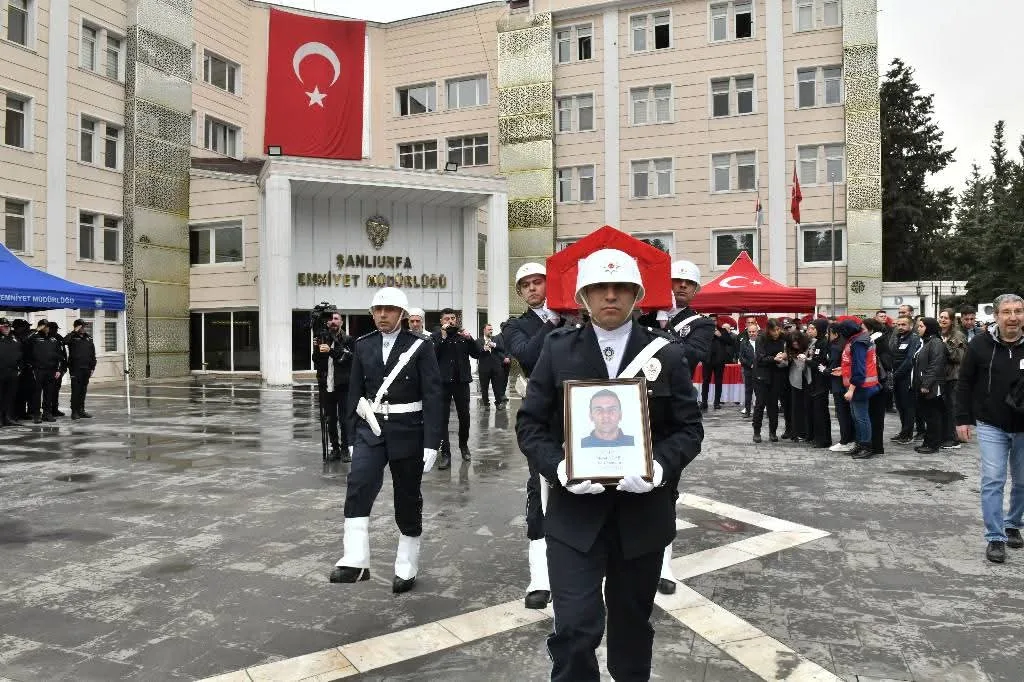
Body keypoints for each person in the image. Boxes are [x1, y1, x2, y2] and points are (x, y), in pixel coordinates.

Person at [516, 247, 703, 682]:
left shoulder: (667, 354)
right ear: (584, 296)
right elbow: (531, 425)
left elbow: (688, 429)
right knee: (576, 628)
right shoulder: (557, 350)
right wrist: (560, 468)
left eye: (622, 288)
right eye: (601, 288)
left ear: (637, 295)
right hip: (574, 515)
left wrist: (658, 468)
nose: (611, 296)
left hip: (642, 515)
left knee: (632, 627)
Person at [329, 287, 442, 593]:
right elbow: (354, 392)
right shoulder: (363, 345)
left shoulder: (420, 346)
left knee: (407, 497)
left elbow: (434, 395)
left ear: (402, 315)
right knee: (359, 482)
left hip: (409, 429)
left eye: (389, 310)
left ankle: (406, 565)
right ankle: (355, 559)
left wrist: (433, 441)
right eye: (378, 310)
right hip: (371, 428)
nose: (382, 315)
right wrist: (351, 435)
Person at [501, 262, 565, 610]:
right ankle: (539, 576)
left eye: (537, 282)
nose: (531, 289)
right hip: (540, 417)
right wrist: (553, 321)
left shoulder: (574, 316)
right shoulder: (515, 325)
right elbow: (525, 354)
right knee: (539, 488)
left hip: (576, 413)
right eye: (524, 285)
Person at [955, 294, 1024, 564]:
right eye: (1007, 311)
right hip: (991, 423)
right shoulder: (980, 345)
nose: (1013, 317)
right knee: (993, 479)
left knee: (1022, 481)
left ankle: (1013, 523)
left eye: (1018, 311)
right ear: (996, 315)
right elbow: (964, 382)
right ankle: (995, 537)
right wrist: (962, 418)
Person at [431, 308, 481, 469]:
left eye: (453, 318)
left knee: (464, 417)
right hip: (443, 384)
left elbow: (477, 354)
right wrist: (443, 338)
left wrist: (470, 338)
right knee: (442, 419)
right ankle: (445, 453)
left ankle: (463, 446)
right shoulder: (436, 337)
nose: (451, 321)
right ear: (441, 321)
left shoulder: (463, 336)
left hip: (461, 383)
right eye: (447, 318)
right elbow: (432, 356)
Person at [313, 311, 354, 462]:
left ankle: (345, 450)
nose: (333, 322)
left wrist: (330, 351)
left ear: (341, 322)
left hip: (342, 385)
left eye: (336, 319)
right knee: (330, 418)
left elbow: (347, 359)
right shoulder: (323, 338)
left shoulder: (348, 340)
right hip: (326, 384)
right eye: (331, 320)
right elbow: (316, 360)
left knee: (344, 419)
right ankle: (335, 449)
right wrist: (316, 348)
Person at [837, 319, 880, 459]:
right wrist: (842, 370)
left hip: (860, 386)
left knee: (861, 418)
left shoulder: (858, 342)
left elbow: (860, 368)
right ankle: (860, 444)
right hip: (861, 384)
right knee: (857, 417)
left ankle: (866, 446)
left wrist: (851, 389)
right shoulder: (859, 339)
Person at [912, 317, 946, 455]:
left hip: (932, 386)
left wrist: (926, 384)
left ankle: (933, 444)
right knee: (927, 415)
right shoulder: (926, 342)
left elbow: (935, 365)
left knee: (933, 416)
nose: (918, 328)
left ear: (929, 328)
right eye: (918, 326)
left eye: (921, 326)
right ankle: (927, 442)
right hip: (924, 384)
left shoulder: (936, 342)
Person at [751, 320, 788, 443]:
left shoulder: (783, 338)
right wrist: (774, 358)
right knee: (760, 404)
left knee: (773, 405)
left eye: (778, 329)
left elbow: (789, 350)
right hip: (761, 375)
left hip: (776, 374)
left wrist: (785, 355)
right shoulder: (761, 339)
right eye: (773, 330)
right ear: (768, 330)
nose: (776, 332)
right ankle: (757, 432)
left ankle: (773, 432)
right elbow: (760, 358)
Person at [889, 315, 922, 444]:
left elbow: (910, 360)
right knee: (900, 406)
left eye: (904, 325)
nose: (901, 327)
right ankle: (903, 431)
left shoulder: (914, 338)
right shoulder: (898, 337)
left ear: (911, 325)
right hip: (897, 376)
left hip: (907, 377)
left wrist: (896, 374)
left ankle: (908, 434)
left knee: (908, 407)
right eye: (899, 324)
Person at [938, 308, 967, 450]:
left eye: (946, 318)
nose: (942, 320)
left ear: (951, 321)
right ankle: (945, 435)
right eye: (941, 317)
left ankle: (953, 439)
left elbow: (959, 357)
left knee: (952, 408)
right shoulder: (939, 334)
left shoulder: (958, 336)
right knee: (943, 408)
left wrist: (945, 346)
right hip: (942, 376)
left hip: (954, 377)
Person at [28, 320, 65, 424]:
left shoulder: (53, 339)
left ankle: (47, 413)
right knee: (36, 393)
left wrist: (58, 369)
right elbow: (25, 342)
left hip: (51, 370)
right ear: (40, 327)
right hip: (38, 370)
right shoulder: (34, 337)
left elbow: (59, 356)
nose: (47, 328)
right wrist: (36, 330)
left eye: (48, 326)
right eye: (44, 326)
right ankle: (36, 414)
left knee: (49, 393)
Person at [827, 324, 856, 452]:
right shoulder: (847, 344)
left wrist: (825, 369)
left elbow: (832, 367)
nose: (828, 336)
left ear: (836, 333)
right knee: (848, 413)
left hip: (839, 383)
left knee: (842, 414)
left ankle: (845, 440)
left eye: (829, 333)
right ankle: (850, 439)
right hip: (847, 382)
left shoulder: (836, 346)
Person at [805, 319, 833, 448]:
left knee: (820, 411)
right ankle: (818, 437)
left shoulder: (823, 343)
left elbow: (819, 364)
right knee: (816, 410)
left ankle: (823, 439)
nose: (810, 331)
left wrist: (806, 360)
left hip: (821, 382)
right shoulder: (818, 342)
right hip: (815, 381)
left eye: (813, 328)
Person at [701, 319, 737, 412]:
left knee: (718, 381)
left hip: (719, 360)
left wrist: (720, 335)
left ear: (717, 321)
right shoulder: (704, 330)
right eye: (711, 320)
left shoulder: (723, 330)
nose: (713, 322)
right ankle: (704, 402)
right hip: (707, 360)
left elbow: (730, 342)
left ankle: (717, 402)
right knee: (705, 381)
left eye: (714, 321)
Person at [65, 319, 96, 420]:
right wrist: (74, 331)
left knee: (83, 391)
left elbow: (92, 354)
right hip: (75, 369)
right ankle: (74, 412)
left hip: (86, 369)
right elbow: (64, 341)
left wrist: (92, 367)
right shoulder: (72, 337)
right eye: (81, 326)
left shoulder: (88, 338)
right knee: (76, 391)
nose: (83, 328)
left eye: (84, 326)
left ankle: (81, 410)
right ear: (77, 327)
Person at [785, 330, 810, 442]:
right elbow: (784, 364)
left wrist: (804, 359)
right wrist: (783, 358)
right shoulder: (788, 348)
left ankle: (805, 432)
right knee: (796, 407)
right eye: (793, 344)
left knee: (806, 407)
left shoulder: (808, 346)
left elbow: (808, 364)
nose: (795, 345)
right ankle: (796, 432)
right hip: (794, 381)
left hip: (807, 380)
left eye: (797, 343)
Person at [477, 323, 507, 409]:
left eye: (491, 329)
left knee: (497, 386)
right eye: (489, 329)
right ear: (484, 330)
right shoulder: (478, 341)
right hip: (484, 368)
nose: (491, 331)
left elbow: (503, 348)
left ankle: (498, 403)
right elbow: (476, 352)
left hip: (496, 367)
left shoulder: (495, 339)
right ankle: (486, 404)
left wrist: (495, 345)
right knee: (484, 387)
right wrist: (483, 349)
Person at [0, 318, 22, 426]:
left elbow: (21, 354)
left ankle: (8, 417)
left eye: (8, 326)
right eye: (4, 326)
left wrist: (19, 368)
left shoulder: (14, 338)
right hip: (1, 372)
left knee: (10, 396)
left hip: (12, 372)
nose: (7, 328)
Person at [737, 319, 759, 417]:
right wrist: (750, 364)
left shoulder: (762, 342)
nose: (751, 333)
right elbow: (741, 357)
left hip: (760, 371)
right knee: (748, 391)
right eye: (749, 332)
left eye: (753, 331)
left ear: (757, 331)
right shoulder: (744, 343)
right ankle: (747, 411)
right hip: (748, 371)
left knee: (759, 392)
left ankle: (759, 411)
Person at [46, 321, 67, 417]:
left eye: (56, 329)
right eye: (54, 329)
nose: (55, 331)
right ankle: (48, 410)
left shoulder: (59, 338)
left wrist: (64, 368)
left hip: (60, 368)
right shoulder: (48, 338)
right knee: (49, 390)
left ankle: (55, 409)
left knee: (56, 390)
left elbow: (63, 353)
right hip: (51, 368)